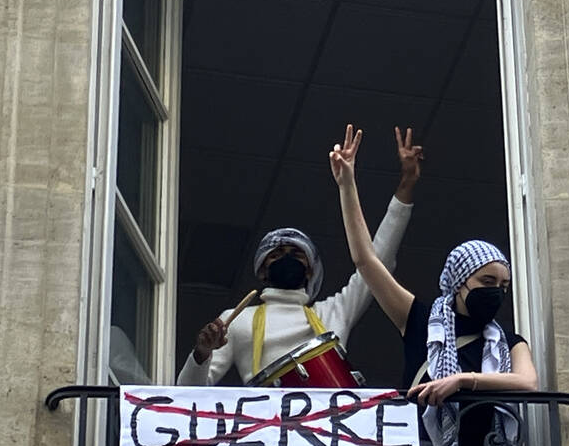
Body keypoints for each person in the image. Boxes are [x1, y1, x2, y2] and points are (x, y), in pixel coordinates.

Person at [329, 126, 539, 446]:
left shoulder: (509, 339)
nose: (496, 291)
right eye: (486, 280)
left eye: (503, 285)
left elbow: (526, 383)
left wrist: (462, 381)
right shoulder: (420, 319)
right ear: (460, 283)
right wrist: (347, 183)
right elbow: (365, 261)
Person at [178, 126, 424, 386]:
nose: (287, 258)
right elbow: (187, 396)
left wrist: (406, 186)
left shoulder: (333, 312)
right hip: (270, 425)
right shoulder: (238, 321)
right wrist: (202, 353)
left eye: (296, 254)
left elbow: (377, 263)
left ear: (309, 270)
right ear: (262, 270)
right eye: (277, 254)